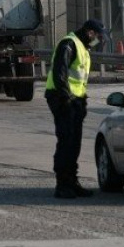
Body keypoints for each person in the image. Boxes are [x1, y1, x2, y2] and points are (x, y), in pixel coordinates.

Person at [46, 18, 106, 199]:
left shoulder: (82, 47)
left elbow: (78, 80)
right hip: (62, 99)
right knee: (66, 141)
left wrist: (81, 100)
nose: (99, 41)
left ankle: (72, 181)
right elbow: (59, 74)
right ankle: (62, 184)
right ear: (90, 33)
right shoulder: (69, 44)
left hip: (75, 100)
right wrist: (67, 99)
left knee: (75, 143)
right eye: (98, 37)